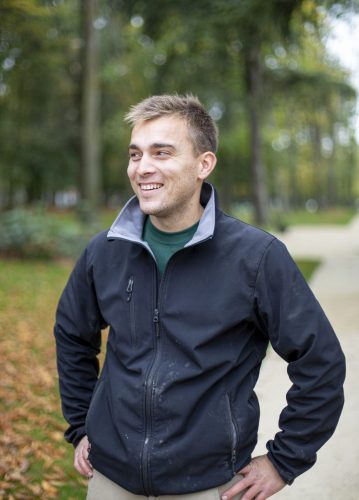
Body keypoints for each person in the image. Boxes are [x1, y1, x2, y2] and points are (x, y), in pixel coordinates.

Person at [54, 94, 345, 500]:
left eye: (162, 153)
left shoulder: (257, 257)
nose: (143, 168)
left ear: (203, 165)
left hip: (211, 486)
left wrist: (284, 461)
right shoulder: (104, 251)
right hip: (110, 479)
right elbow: (72, 335)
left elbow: (321, 362)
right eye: (135, 154)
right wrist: (82, 426)